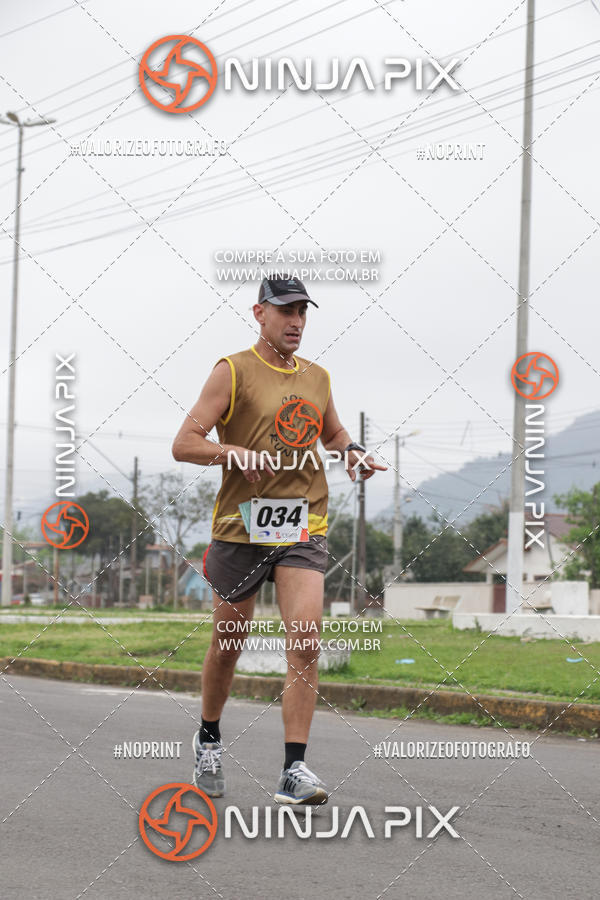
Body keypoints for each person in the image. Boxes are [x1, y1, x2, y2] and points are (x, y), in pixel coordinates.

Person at [171, 274, 386, 804]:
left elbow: (330, 432)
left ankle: (294, 768)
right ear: (259, 313)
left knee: (307, 641)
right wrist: (232, 453)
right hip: (240, 529)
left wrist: (351, 451)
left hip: (301, 525)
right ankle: (209, 737)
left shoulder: (317, 376)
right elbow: (183, 443)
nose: (295, 322)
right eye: (285, 311)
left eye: (303, 312)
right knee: (228, 645)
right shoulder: (233, 371)